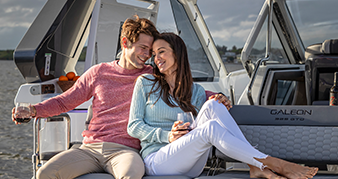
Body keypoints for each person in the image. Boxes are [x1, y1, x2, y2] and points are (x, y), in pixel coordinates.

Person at [127, 32, 318, 179]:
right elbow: (133, 126)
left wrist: (221, 97)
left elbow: (207, 118)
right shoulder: (145, 82)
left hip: (192, 163)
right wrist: (167, 135)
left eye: (161, 52)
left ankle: (255, 165)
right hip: (157, 161)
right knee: (210, 128)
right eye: (154, 54)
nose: (156, 58)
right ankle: (269, 163)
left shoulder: (197, 91)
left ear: (177, 53)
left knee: (214, 105)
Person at [12, 15, 159, 179]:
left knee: (130, 176)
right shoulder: (98, 73)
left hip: (126, 151)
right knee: (45, 173)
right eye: (143, 48)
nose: (147, 55)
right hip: (90, 150)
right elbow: (64, 102)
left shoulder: (152, 76)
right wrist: (33, 110)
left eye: (150, 51)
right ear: (125, 43)